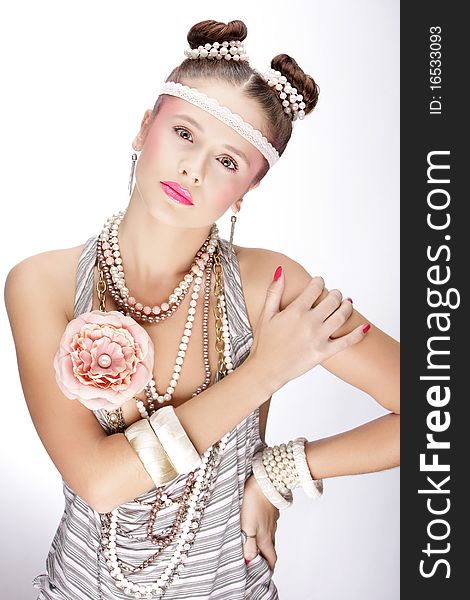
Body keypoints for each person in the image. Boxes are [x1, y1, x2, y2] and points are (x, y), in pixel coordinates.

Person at [4, 18, 399, 600]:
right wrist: (265, 372)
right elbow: (98, 481)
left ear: (248, 190)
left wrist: (284, 470)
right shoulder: (43, 284)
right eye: (185, 133)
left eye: (229, 161)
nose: (194, 168)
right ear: (145, 128)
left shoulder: (271, 285)